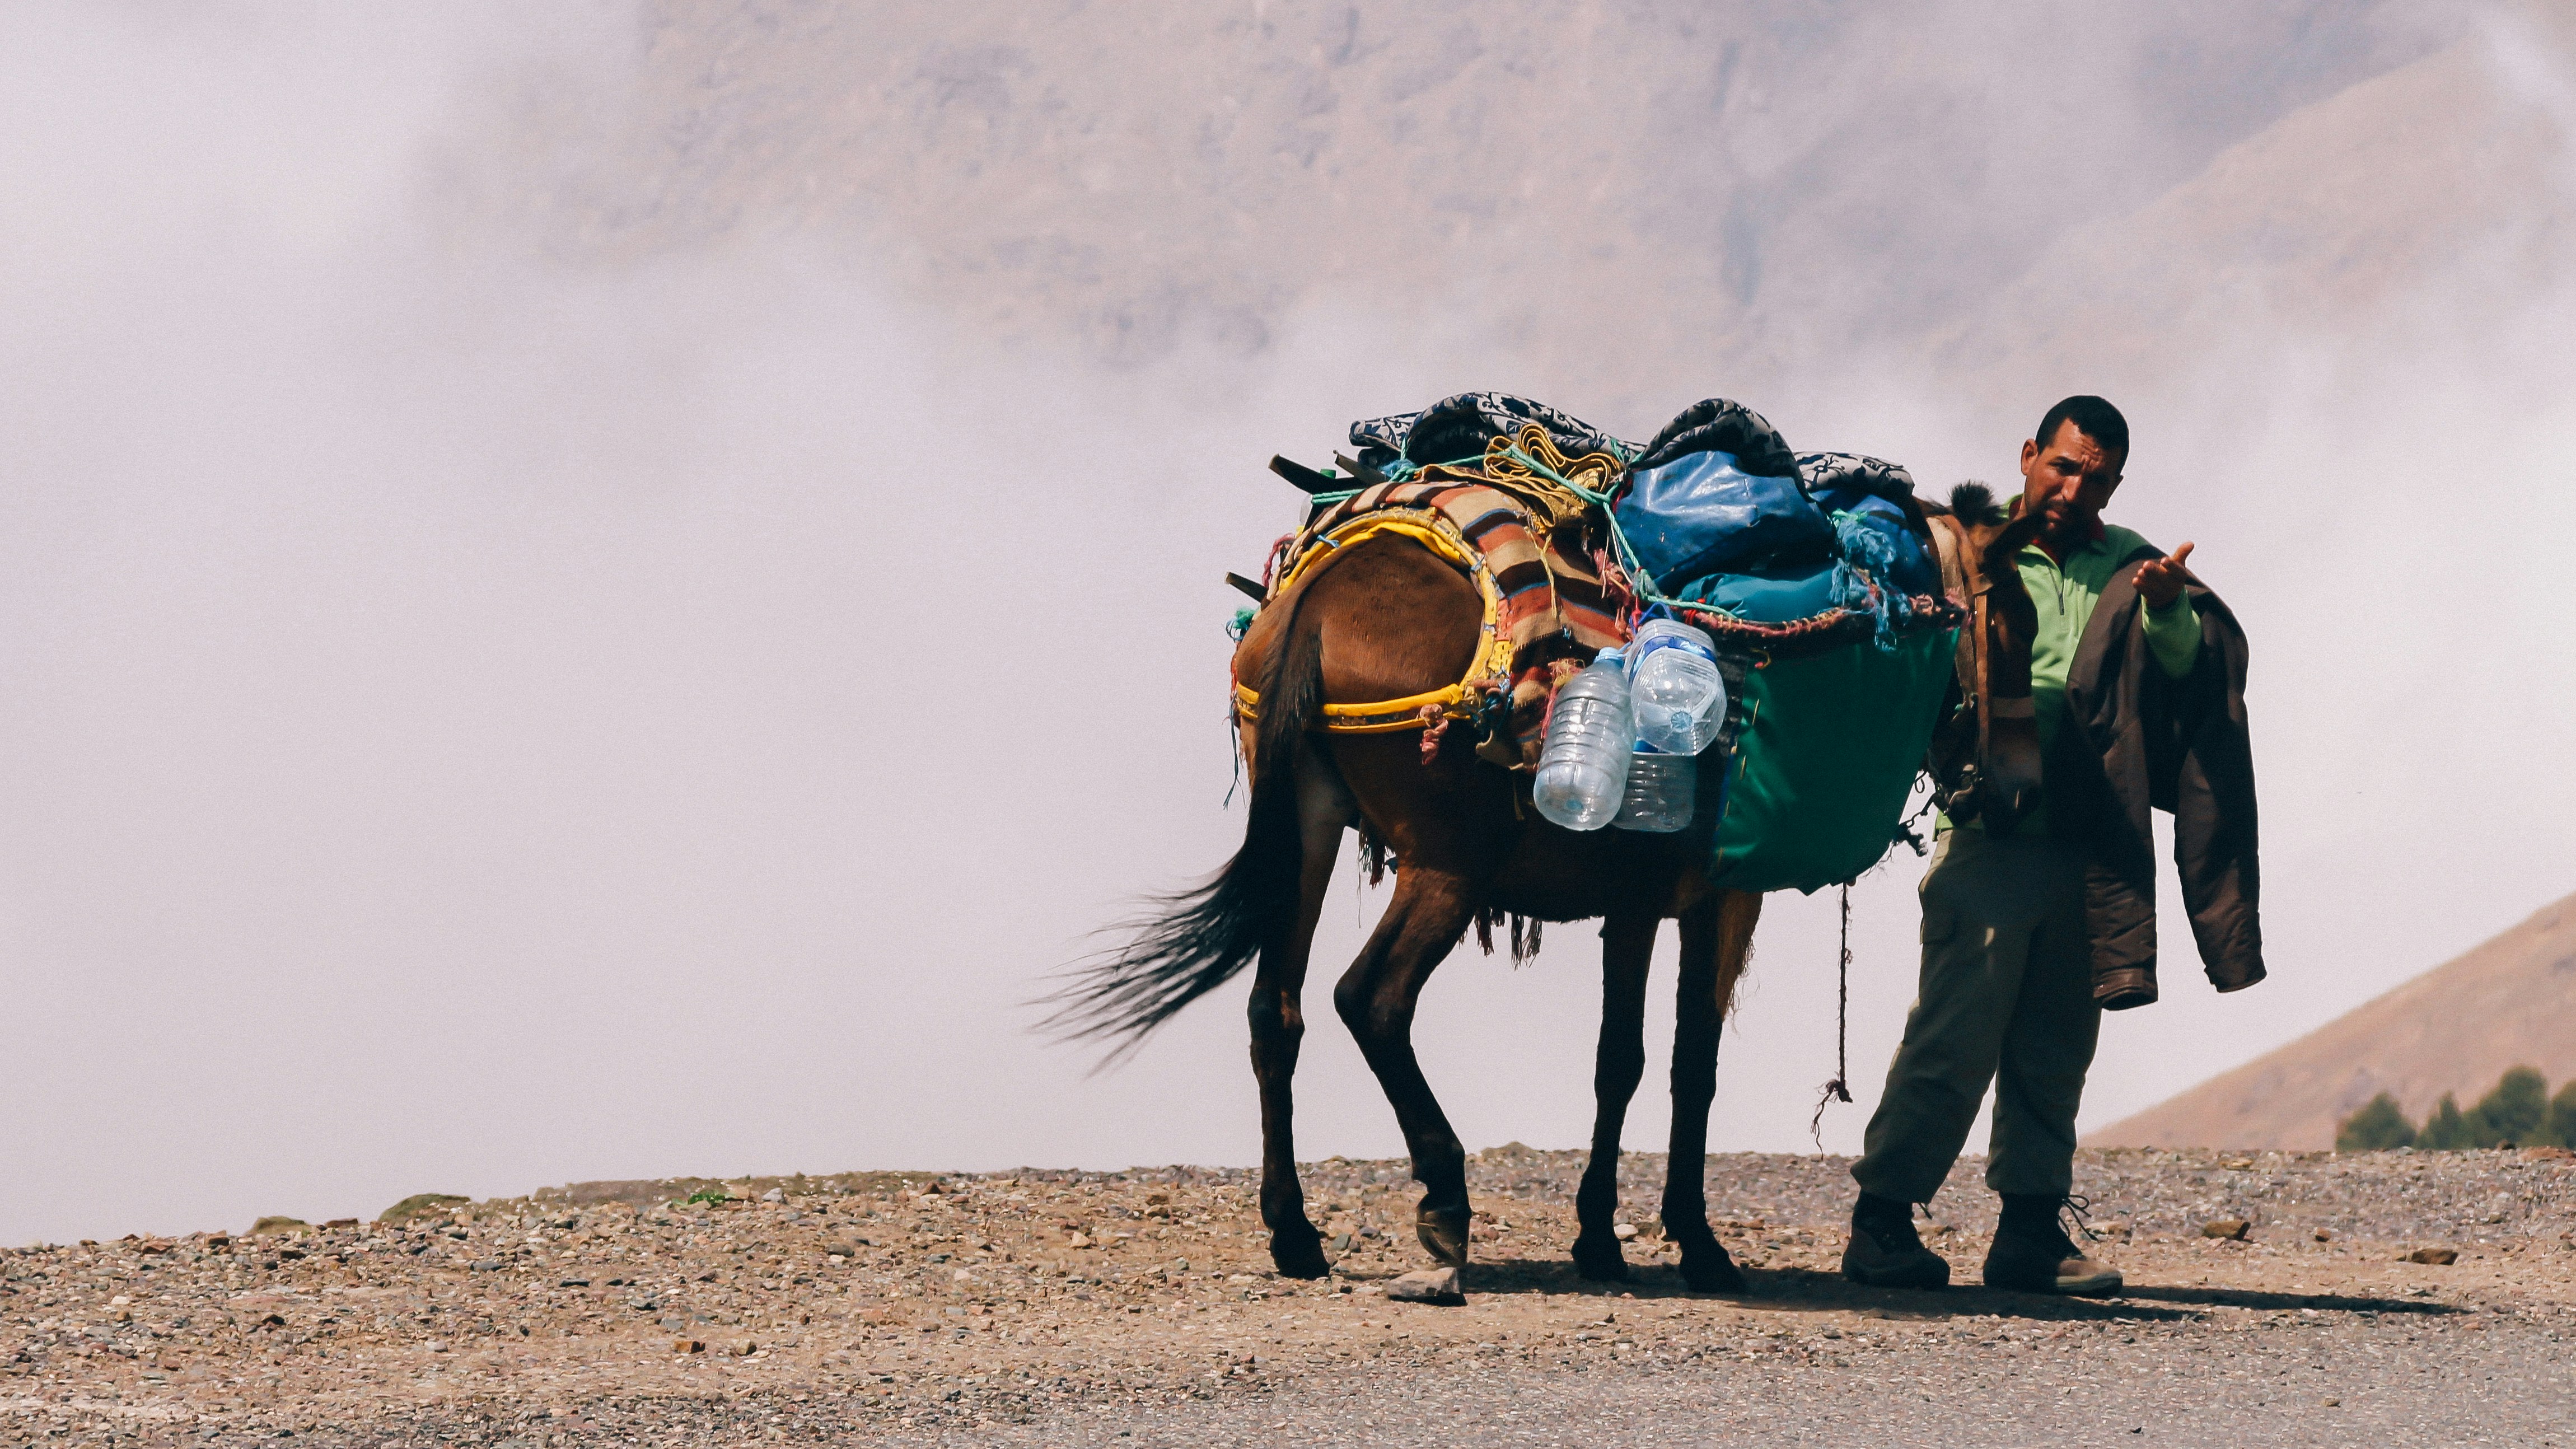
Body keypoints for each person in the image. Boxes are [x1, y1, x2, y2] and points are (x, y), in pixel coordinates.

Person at [1840, 395, 2205, 1296]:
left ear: (2115, 485)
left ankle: (2029, 1236)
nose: (2072, 488)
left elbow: (2192, 666)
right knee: (1952, 1037)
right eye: (2061, 466)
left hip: (2086, 844)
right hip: (1989, 835)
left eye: (2094, 477)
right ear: (2027, 455)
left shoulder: (2131, 565)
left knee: (2054, 1046)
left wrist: (2164, 610)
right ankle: (1881, 1223)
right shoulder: (1968, 550)